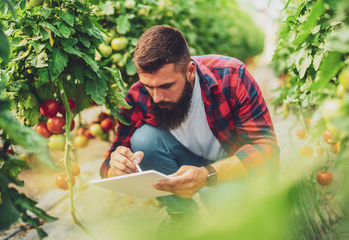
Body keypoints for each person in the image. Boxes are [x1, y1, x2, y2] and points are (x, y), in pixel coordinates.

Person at [100, 25, 279, 219]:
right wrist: (115, 168)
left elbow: (265, 148)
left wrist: (208, 175)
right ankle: (182, 213)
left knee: (231, 210)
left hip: (229, 164)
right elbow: (109, 162)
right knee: (143, 139)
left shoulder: (232, 77)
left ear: (190, 70)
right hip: (187, 161)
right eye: (148, 86)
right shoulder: (139, 95)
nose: (156, 97)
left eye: (166, 85)